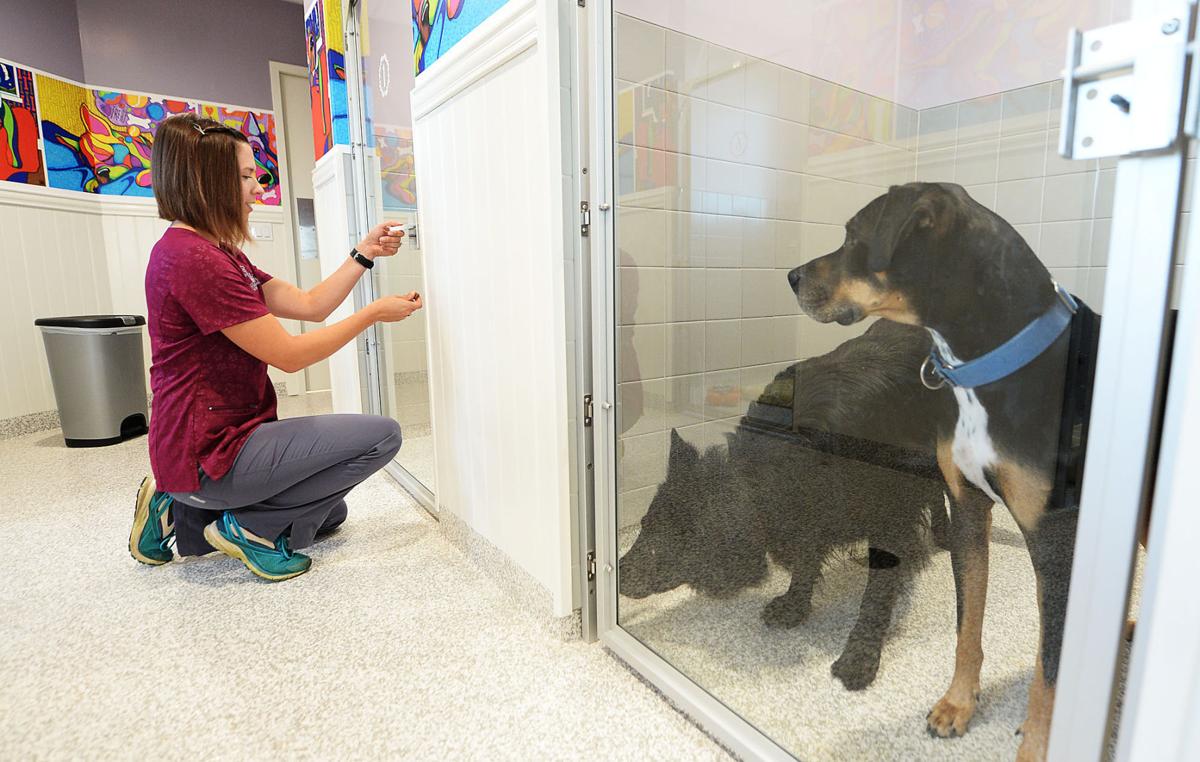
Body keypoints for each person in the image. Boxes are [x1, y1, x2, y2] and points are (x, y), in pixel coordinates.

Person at [128, 113, 422, 582]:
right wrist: (371, 315)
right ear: (205, 182)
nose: (258, 189)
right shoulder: (193, 260)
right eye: (245, 176)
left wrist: (363, 252)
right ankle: (247, 528)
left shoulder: (220, 252)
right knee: (383, 436)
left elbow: (310, 305)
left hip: (219, 441)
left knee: (330, 516)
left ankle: (176, 507)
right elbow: (289, 355)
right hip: (209, 450)